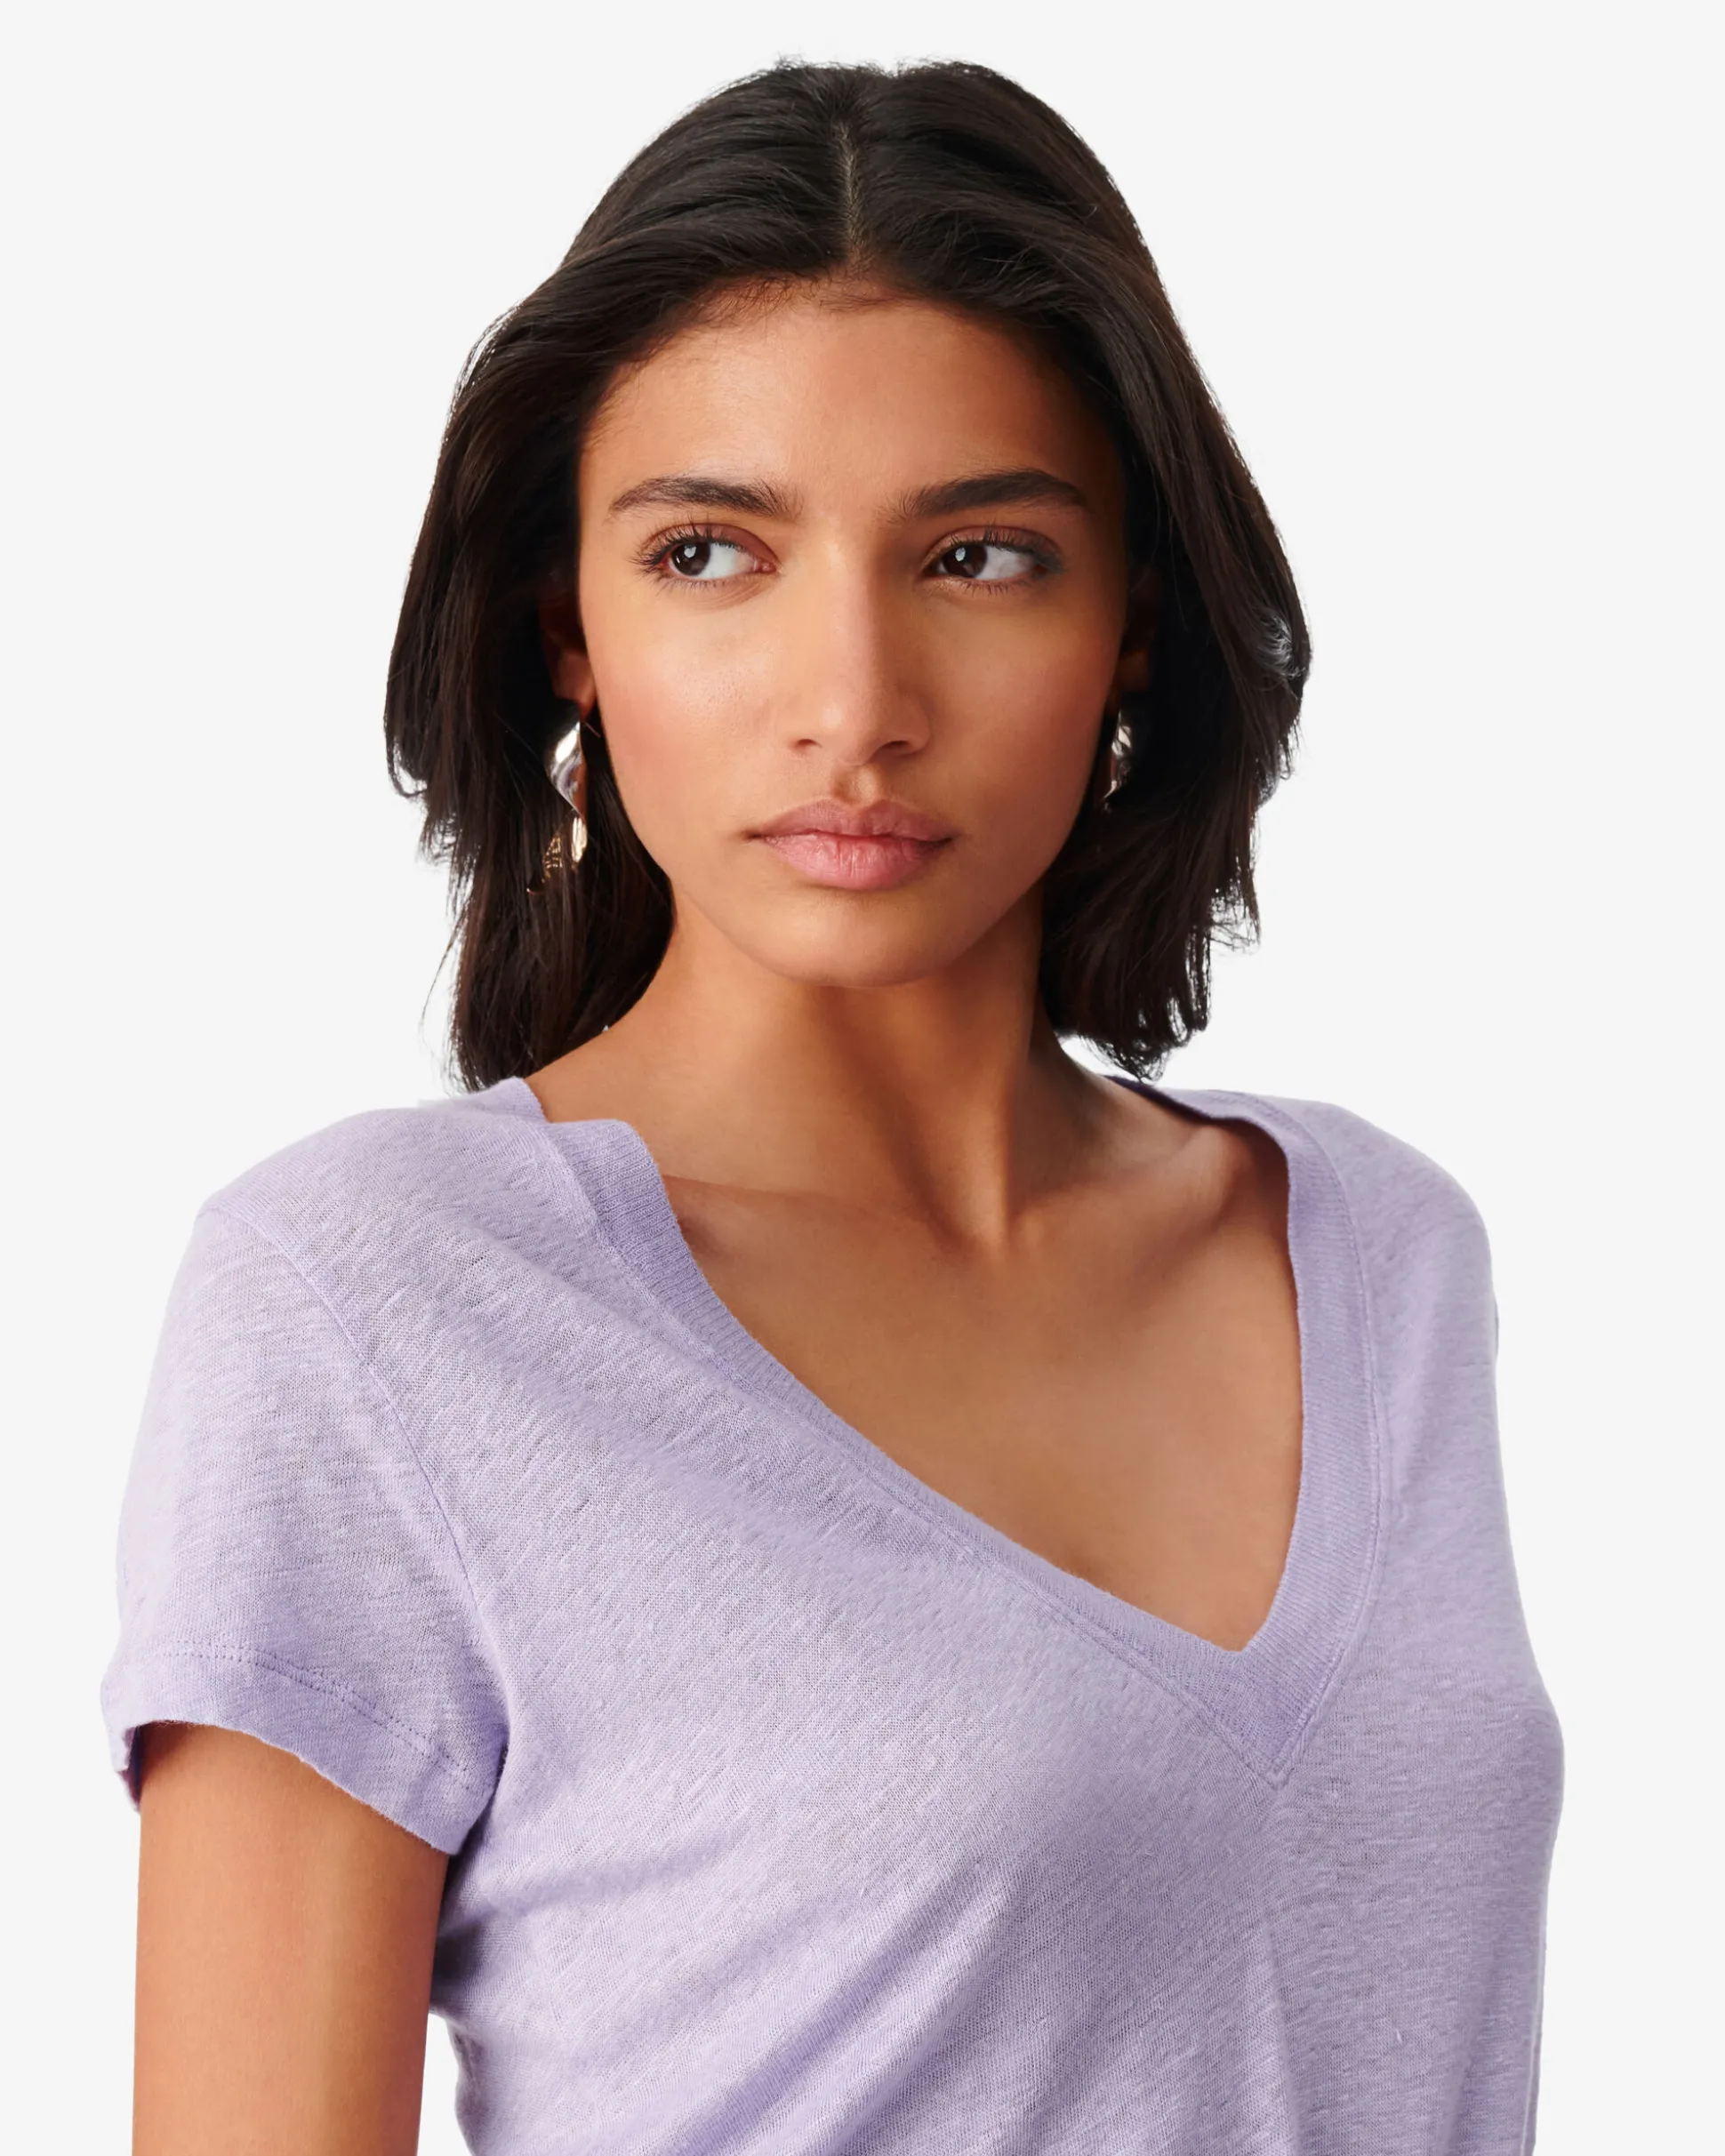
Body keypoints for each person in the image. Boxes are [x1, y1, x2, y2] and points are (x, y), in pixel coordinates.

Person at [101, 58, 1563, 2156]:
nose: (853, 704)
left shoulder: (1379, 1251)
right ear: (569, 630)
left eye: (979, 556)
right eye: (710, 551)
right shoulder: (377, 1301)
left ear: (1133, 624)